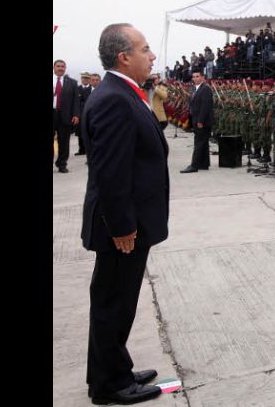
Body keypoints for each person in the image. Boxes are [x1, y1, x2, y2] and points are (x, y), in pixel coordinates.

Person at [80, 23, 167, 405]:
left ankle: (112, 368)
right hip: (121, 226)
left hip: (127, 221)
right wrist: (122, 226)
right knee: (113, 302)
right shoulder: (115, 98)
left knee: (115, 300)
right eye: (145, 49)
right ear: (123, 56)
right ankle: (110, 384)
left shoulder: (120, 92)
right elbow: (111, 171)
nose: (152, 56)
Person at [181, 69, 214, 173]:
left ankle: (194, 165)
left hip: (202, 121)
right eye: (194, 77)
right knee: (203, 142)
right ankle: (204, 164)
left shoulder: (205, 89)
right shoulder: (195, 89)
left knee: (198, 143)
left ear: (203, 77)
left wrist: (200, 121)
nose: (195, 78)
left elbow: (205, 106)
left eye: (197, 76)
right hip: (195, 119)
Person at [53, 59, 81, 173]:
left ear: (65, 68)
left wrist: (76, 114)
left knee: (64, 141)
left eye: (62, 66)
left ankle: (62, 163)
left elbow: (76, 101)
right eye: (58, 66)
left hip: (65, 115)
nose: (60, 68)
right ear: (54, 68)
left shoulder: (72, 82)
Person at [75, 72, 93, 155]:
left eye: (87, 78)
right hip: (79, 114)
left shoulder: (92, 89)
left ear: (89, 79)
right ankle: (81, 150)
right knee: (80, 133)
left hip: (89, 114)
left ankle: (89, 149)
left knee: (89, 132)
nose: (85, 80)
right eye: (83, 78)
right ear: (81, 79)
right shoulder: (77, 88)